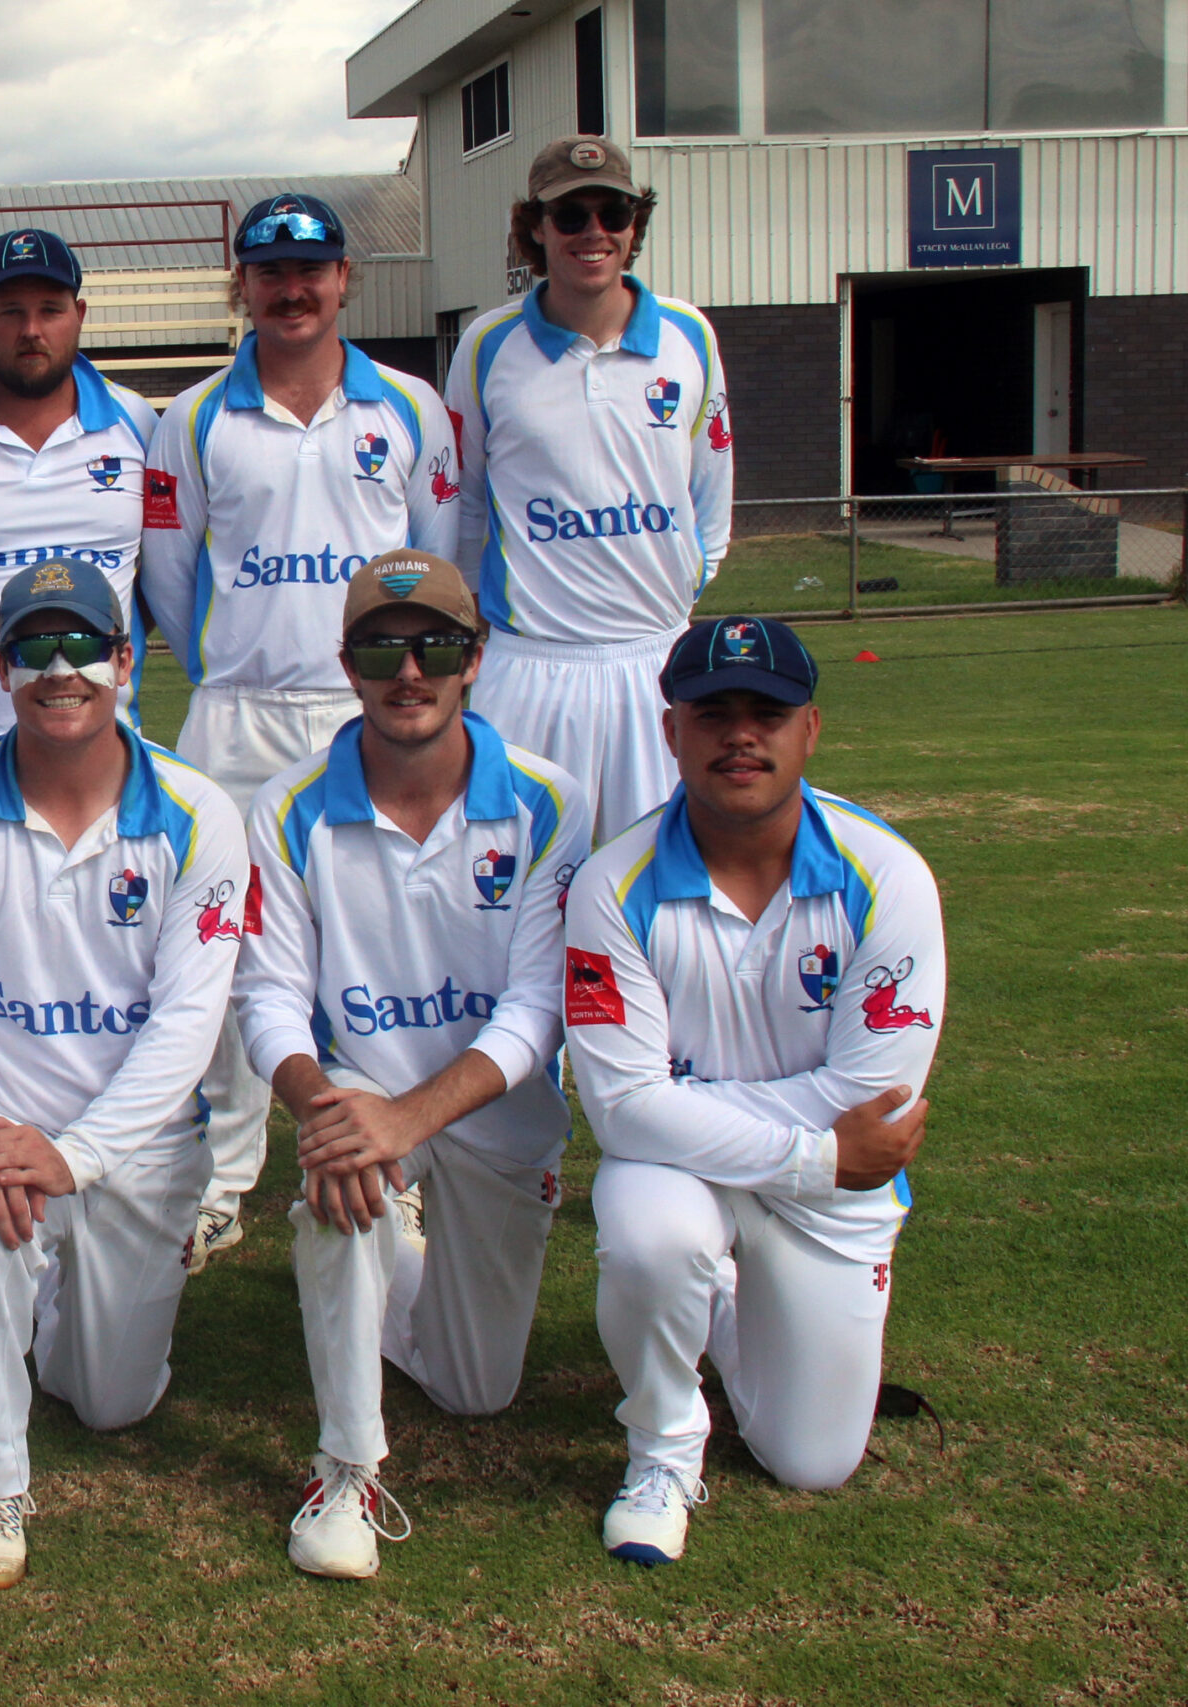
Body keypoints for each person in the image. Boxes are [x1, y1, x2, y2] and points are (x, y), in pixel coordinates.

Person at [0, 559, 247, 1591]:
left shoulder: (202, 811)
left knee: (113, 1401)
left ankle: (60, 1314)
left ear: (126, 661)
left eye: (83, 644)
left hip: (135, 1152)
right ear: (0, 669)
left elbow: (189, 1018)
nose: (60, 668)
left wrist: (75, 1155)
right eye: (34, 648)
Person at [236, 552, 587, 1580]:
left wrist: (410, 1120)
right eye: (382, 647)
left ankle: (384, 1254)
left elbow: (536, 1011)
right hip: (362, 1099)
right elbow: (265, 999)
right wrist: (325, 1108)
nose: (409, 672)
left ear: (474, 658)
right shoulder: (288, 807)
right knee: (342, 1168)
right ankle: (346, 1469)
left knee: (478, 1390)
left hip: (491, 1118)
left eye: (435, 645)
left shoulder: (547, 802)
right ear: (345, 664)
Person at [565, 617, 942, 1567]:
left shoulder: (887, 875)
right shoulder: (614, 884)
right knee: (652, 1234)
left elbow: (876, 1096)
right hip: (761, 1168)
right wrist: (814, 1148)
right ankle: (661, 1450)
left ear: (809, 729)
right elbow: (618, 1109)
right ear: (671, 731)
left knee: (811, 1460)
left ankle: (728, 1308)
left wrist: (685, 1105)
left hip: (826, 1197)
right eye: (714, 711)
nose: (742, 734)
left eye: (766, 713)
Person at [140, 191, 461, 1270]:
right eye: (270, 272)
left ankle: (390, 1161)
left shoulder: (408, 407)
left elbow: (434, 566)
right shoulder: (189, 419)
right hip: (235, 712)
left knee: (366, 940)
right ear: (242, 283)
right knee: (225, 952)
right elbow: (173, 576)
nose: (292, 289)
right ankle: (222, 1178)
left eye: (312, 269)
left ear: (342, 281)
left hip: (364, 705)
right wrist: (239, 663)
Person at [445, 135, 735, 846]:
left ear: (636, 224)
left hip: (655, 660)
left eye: (614, 211)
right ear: (536, 228)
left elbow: (711, 496)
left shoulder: (688, 335)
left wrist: (674, 597)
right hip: (531, 664)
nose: (594, 232)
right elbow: (466, 506)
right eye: (570, 215)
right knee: (516, 891)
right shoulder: (488, 346)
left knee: (655, 887)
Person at [0, 226, 159, 760]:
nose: (31, 330)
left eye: (50, 310)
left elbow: (159, 581)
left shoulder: (137, 423)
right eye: (11, 310)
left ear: (80, 314)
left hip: (103, 741)